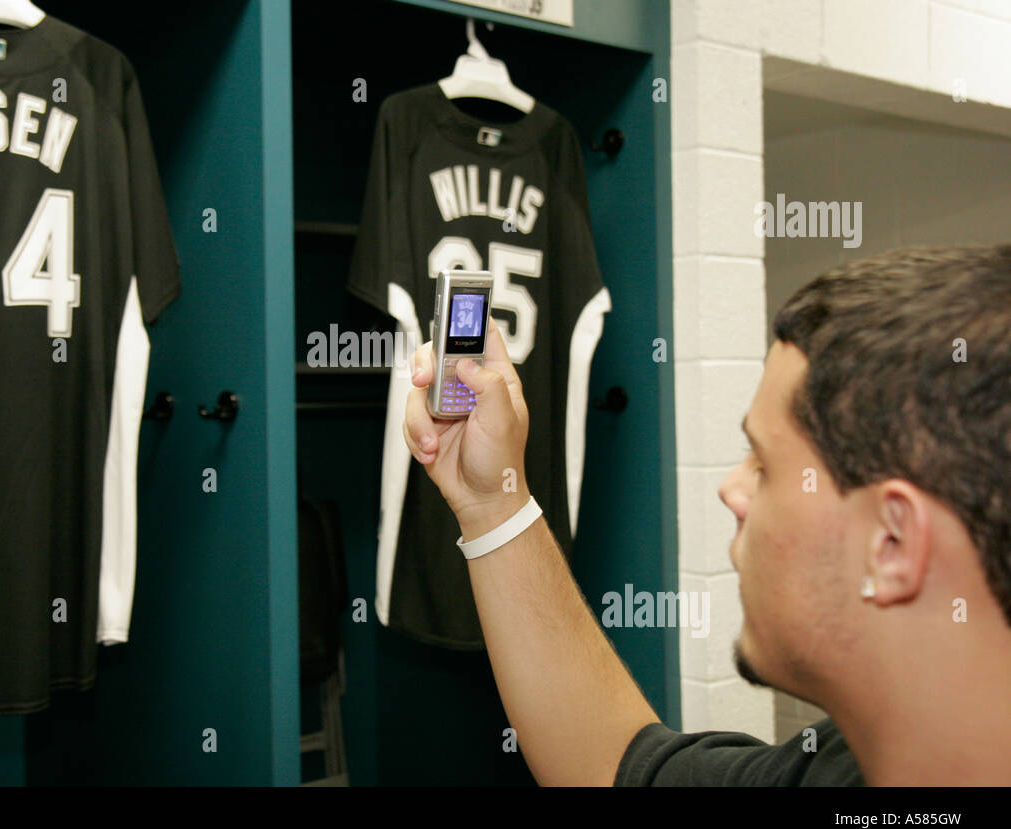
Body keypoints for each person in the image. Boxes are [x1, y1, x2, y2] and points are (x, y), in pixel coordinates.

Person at [401, 245, 1011, 785]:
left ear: (893, 542)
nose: (730, 489)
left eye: (765, 466)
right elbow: (610, 764)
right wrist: (492, 504)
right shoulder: (841, 769)